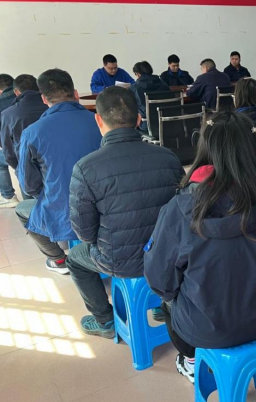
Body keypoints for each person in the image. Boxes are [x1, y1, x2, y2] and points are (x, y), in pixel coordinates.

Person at [144, 111, 256, 383]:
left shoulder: (181, 209)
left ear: (205, 150)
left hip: (206, 331)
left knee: (168, 301)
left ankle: (191, 360)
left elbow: (160, 282)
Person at [67, 87, 184, 338]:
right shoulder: (168, 157)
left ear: (98, 120)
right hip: (168, 255)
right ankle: (161, 306)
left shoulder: (86, 168)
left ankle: (105, 321)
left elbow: (85, 233)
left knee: (75, 258)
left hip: (120, 261)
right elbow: (182, 209)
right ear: (139, 119)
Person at [16, 69, 102, 273]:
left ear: (44, 99)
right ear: (76, 93)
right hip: (106, 207)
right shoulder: (100, 121)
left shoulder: (32, 133)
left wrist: (52, 193)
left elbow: (29, 185)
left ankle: (58, 260)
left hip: (65, 211)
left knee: (22, 209)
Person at [0, 74, 48, 208]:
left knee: (30, 208)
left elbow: (7, 150)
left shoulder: (8, 114)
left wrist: (19, 168)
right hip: (53, 161)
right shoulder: (50, 106)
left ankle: (9, 196)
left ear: (16, 92)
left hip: (26, 165)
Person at [129, 61, 170, 133]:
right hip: (167, 122)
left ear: (137, 74)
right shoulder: (164, 85)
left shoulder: (134, 88)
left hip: (146, 125)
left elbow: (131, 108)